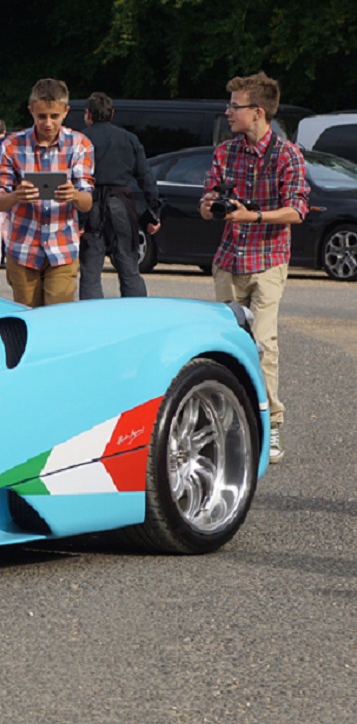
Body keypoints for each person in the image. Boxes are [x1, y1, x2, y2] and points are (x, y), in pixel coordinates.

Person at [198, 72, 308, 463]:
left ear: (257, 112)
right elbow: (209, 195)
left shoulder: (287, 155)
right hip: (229, 260)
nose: (228, 112)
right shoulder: (225, 152)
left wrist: (254, 216)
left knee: (263, 344)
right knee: (227, 348)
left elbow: (297, 209)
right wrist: (210, 206)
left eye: (235, 106)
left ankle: (272, 425)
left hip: (267, 261)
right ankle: (230, 426)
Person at [0, 78, 94, 307]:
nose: (48, 123)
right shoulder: (12, 145)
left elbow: (87, 202)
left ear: (65, 112)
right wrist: (16, 196)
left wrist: (73, 195)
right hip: (23, 247)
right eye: (41, 116)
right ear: (31, 112)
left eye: (54, 116)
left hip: (62, 245)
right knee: (28, 317)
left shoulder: (80, 144)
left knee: (57, 318)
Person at [78, 92, 162, 300]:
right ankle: (134, 314)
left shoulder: (81, 139)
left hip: (90, 204)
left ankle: (92, 317)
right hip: (121, 203)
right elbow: (146, 177)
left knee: (90, 269)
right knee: (128, 265)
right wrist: (154, 212)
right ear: (112, 113)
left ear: (87, 114)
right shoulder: (129, 139)